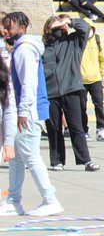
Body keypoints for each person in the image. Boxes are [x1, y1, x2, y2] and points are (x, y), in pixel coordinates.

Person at [0, 12, 60, 217]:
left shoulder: (25, 49)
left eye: (9, 27)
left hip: (29, 112)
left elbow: (28, 84)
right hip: (25, 111)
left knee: (31, 156)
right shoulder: (20, 49)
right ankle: (13, 201)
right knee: (17, 158)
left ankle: (50, 199)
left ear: (22, 27)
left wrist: (23, 112)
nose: (6, 31)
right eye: (4, 27)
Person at [42, 15, 98, 173]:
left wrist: (69, 21)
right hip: (50, 92)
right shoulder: (43, 47)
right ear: (48, 30)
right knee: (53, 127)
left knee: (76, 126)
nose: (58, 30)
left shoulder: (73, 42)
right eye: (55, 28)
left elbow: (85, 28)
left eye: (61, 27)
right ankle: (57, 160)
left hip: (71, 89)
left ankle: (85, 160)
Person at [80, 25, 104, 143]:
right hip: (81, 79)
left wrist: (103, 76)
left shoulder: (96, 40)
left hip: (96, 78)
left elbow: (102, 59)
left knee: (99, 104)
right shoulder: (78, 40)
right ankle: (84, 131)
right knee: (81, 106)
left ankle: (100, 129)